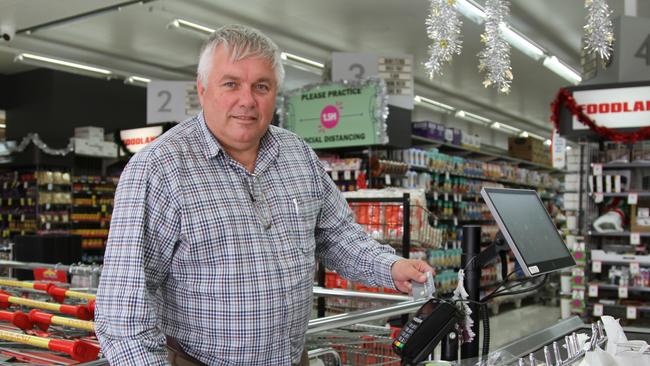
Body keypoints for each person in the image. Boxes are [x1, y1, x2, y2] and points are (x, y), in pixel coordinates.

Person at [95, 24, 433, 366]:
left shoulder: (297, 154)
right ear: (202, 89)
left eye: (262, 86)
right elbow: (124, 312)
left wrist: (390, 267)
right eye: (231, 84)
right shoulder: (158, 169)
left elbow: (338, 237)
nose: (247, 100)